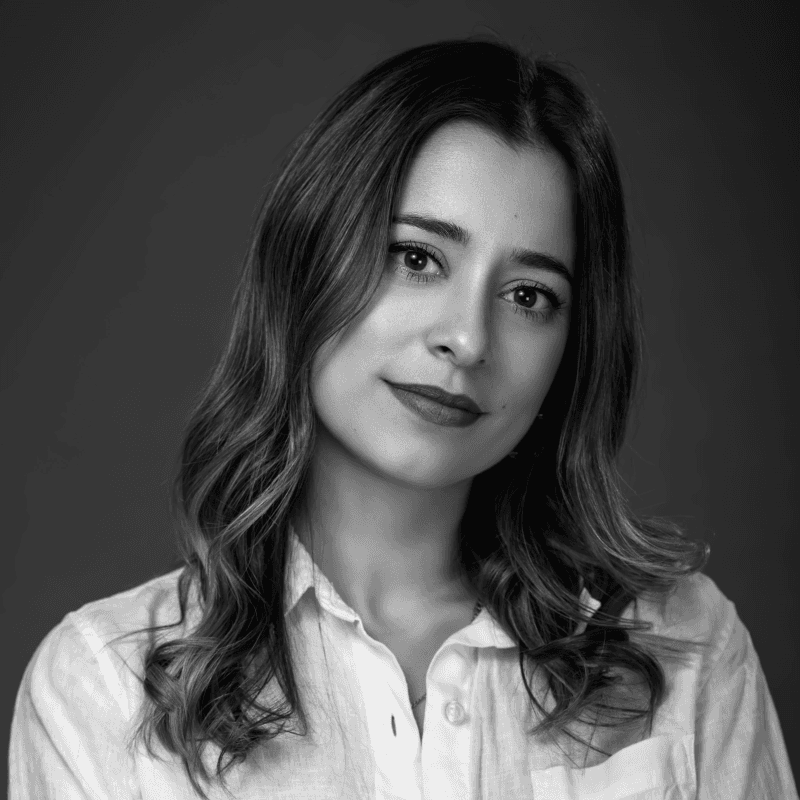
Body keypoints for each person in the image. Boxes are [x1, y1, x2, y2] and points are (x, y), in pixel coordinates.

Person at [9, 37, 797, 800]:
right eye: (417, 258)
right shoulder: (105, 688)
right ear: (306, 265)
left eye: (529, 296)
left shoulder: (686, 647)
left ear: (573, 345)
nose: (467, 338)